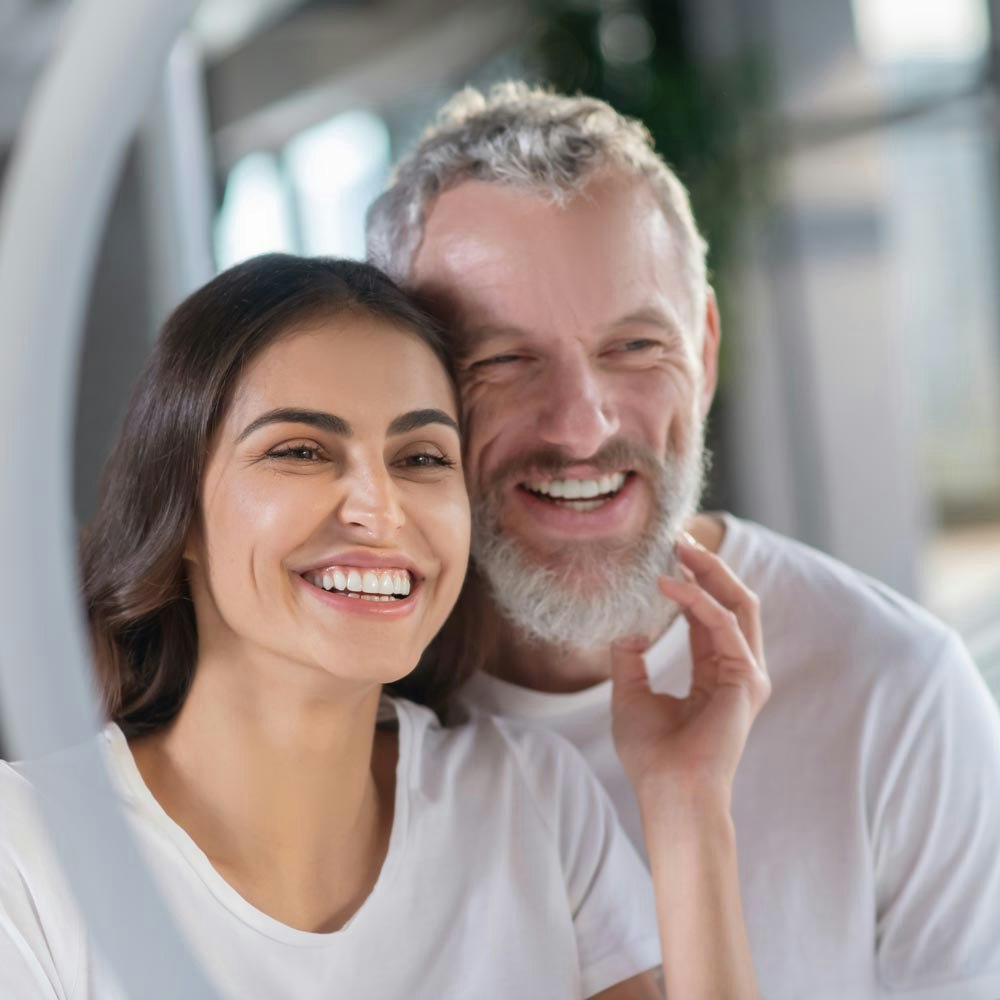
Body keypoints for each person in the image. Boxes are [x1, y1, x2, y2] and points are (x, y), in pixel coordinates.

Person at [366, 82, 1000, 999]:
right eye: (503, 360)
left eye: (634, 347)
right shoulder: (345, 713)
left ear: (704, 351)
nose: (580, 428)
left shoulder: (896, 696)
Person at [0, 254, 771, 998]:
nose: (378, 506)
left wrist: (686, 807)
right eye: (301, 450)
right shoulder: (28, 857)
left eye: (421, 457)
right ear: (182, 515)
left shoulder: (528, 799)